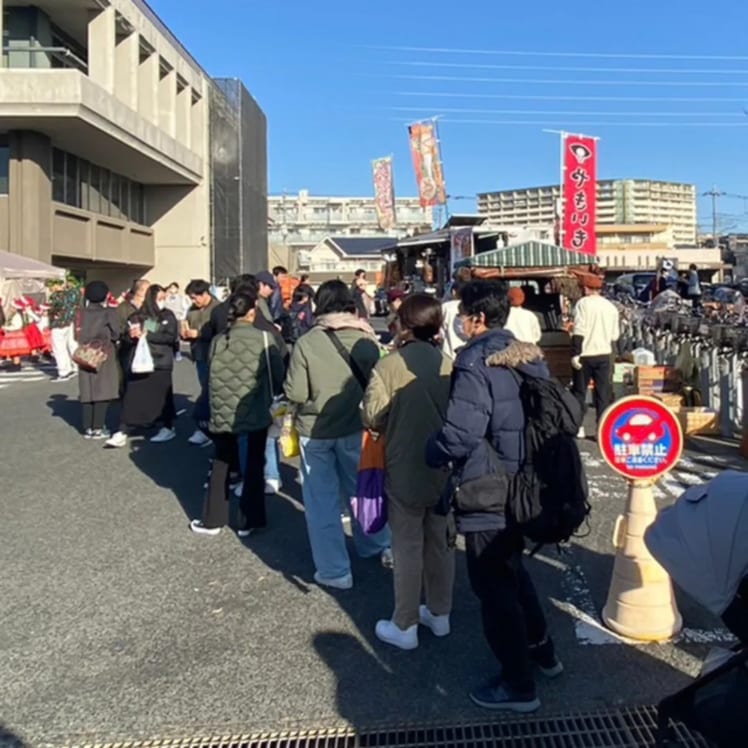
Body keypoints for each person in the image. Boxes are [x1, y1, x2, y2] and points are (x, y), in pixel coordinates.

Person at [426, 281, 562, 713]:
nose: (461, 322)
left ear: (478, 318)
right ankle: (543, 652)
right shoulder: (529, 356)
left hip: (487, 485)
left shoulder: (475, 361)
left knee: (493, 586)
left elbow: (463, 432)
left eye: (464, 314)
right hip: (527, 481)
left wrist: (433, 450)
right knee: (513, 570)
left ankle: (517, 683)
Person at [284, 279, 392, 590]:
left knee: (322, 502)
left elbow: (296, 391)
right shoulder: (366, 338)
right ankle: (375, 543)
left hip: (315, 430)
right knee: (362, 490)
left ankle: (334, 571)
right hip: (356, 427)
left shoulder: (307, 342)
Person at [363, 294, 455, 650]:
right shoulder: (448, 363)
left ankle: (405, 622)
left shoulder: (390, 366)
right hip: (444, 463)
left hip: (404, 463)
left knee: (407, 544)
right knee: (442, 541)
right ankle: (440, 612)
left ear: (405, 324)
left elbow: (372, 415)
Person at [190, 289, 285, 538]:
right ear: (252, 312)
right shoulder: (265, 339)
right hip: (253, 410)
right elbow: (278, 376)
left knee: (220, 464)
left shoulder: (219, 341)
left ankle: (212, 520)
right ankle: (248, 520)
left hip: (221, 410)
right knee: (253, 466)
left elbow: (211, 374)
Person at [106, 285, 179, 448]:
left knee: (162, 397)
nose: (162, 302)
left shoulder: (168, 315)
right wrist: (131, 336)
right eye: (159, 299)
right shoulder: (136, 316)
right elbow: (125, 336)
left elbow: (170, 336)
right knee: (133, 396)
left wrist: (149, 335)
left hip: (160, 363)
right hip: (140, 363)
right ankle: (123, 429)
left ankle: (167, 426)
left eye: (163, 298)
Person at [571, 272, 620, 437]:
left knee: (579, 392)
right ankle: (603, 428)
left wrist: (575, 353)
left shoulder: (582, 304)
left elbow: (579, 330)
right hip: (604, 354)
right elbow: (615, 336)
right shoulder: (611, 307)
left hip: (585, 354)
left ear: (585, 288)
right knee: (603, 394)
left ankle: (577, 426)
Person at [77, 281, 120, 439]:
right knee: (102, 389)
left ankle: (87, 427)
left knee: (87, 389)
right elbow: (116, 333)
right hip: (102, 351)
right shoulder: (108, 312)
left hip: (83, 350)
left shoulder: (80, 312)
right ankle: (98, 427)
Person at [184, 280, 219, 447]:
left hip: (215, 355)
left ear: (205, 293)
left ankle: (210, 425)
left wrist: (198, 333)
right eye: (191, 298)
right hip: (198, 354)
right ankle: (206, 425)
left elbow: (220, 332)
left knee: (212, 391)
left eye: (195, 297)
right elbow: (187, 327)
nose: (193, 301)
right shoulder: (191, 311)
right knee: (205, 389)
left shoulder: (217, 308)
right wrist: (185, 334)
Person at [47, 275, 81, 382]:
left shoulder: (56, 296)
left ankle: (63, 371)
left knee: (59, 348)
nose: (50, 288)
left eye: (51, 286)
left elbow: (53, 309)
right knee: (71, 344)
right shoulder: (72, 294)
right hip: (70, 321)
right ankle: (75, 366)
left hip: (58, 323)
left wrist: (50, 311)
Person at [441, 276, 469, 360]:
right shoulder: (472, 307)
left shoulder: (446, 307)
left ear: (453, 292)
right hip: (467, 354)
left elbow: (440, 332)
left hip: (448, 353)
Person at [164, 282, 189, 360]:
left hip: (177, 319)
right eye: (171, 288)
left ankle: (177, 352)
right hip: (167, 319)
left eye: (174, 288)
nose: (172, 289)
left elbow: (184, 309)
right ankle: (169, 352)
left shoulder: (181, 298)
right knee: (167, 335)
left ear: (177, 289)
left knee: (176, 337)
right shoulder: (166, 298)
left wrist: (183, 322)